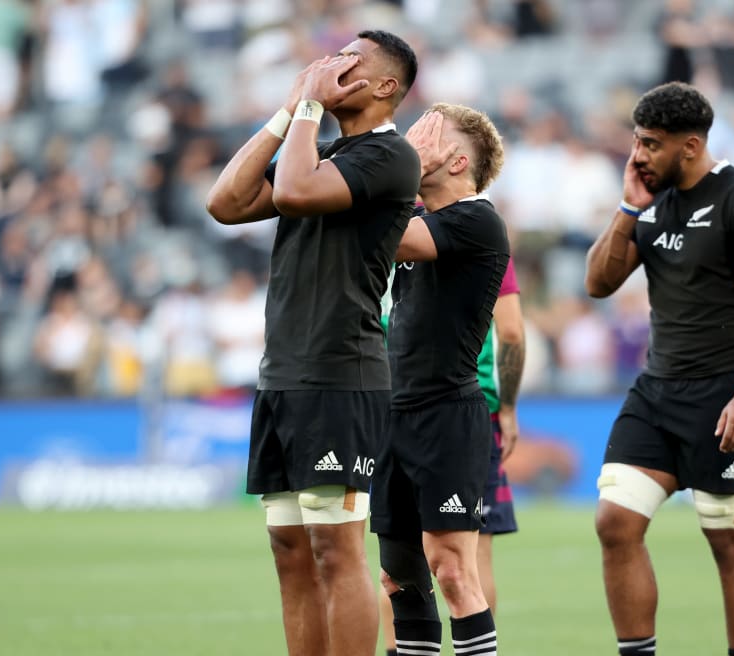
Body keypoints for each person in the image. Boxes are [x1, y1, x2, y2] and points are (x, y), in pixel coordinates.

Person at [205, 30, 420, 656]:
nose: (332, 64)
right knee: (290, 550)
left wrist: (307, 107)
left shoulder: (389, 158)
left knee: (336, 548)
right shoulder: (319, 150)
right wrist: (287, 111)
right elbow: (224, 201)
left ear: (384, 86)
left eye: (349, 59)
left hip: (341, 374)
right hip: (283, 375)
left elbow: (295, 193)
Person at [584, 81, 734, 656]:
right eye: (636, 141)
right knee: (614, 524)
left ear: (690, 146)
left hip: (726, 394)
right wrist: (628, 207)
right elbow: (598, 283)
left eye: (650, 144)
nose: (638, 155)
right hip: (656, 391)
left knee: (729, 545)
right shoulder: (650, 201)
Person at [371, 104, 508, 656]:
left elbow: (392, 239)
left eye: (426, 138)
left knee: (452, 571)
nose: (412, 143)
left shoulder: (478, 219)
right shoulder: (421, 216)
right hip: (393, 415)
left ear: (456, 160)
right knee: (399, 578)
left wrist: (400, 164)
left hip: (447, 415)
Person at [379, 255, 526, 655]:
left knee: (397, 564)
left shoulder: (388, 225)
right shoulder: (477, 230)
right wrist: (508, 409)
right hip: (467, 405)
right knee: (468, 561)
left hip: (391, 401)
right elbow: (510, 331)